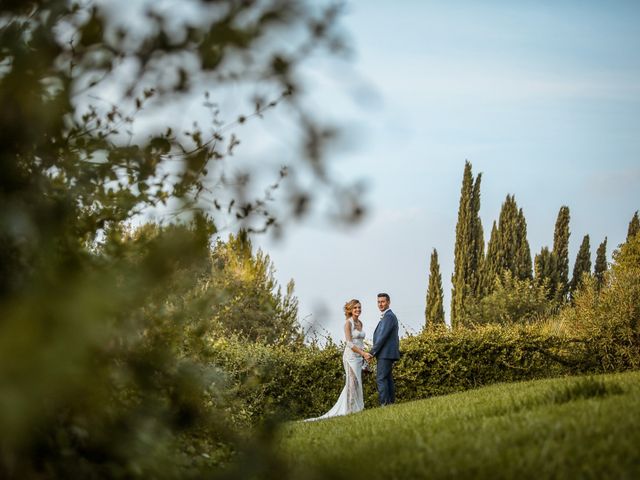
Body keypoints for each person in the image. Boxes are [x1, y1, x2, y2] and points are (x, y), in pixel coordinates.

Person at [305, 299, 373, 421]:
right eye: (355, 308)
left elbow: (360, 342)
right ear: (350, 310)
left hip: (359, 357)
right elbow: (349, 343)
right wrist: (363, 353)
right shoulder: (348, 323)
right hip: (350, 357)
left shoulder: (360, 323)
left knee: (357, 384)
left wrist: (365, 356)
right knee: (351, 382)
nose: (358, 310)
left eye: (359, 307)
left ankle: (356, 408)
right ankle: (349, 410)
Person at [370, 292, 400, 406]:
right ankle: (390, 403)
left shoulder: (389, 317)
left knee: (381, 379)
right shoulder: (387, 316)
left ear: (388, 302)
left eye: (382, 302)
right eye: (378, 302)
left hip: (385, 353)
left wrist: (372, 352)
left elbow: (382, 337)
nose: (380, 304)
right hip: (386, 353)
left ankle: (385, 404)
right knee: (387, 378)